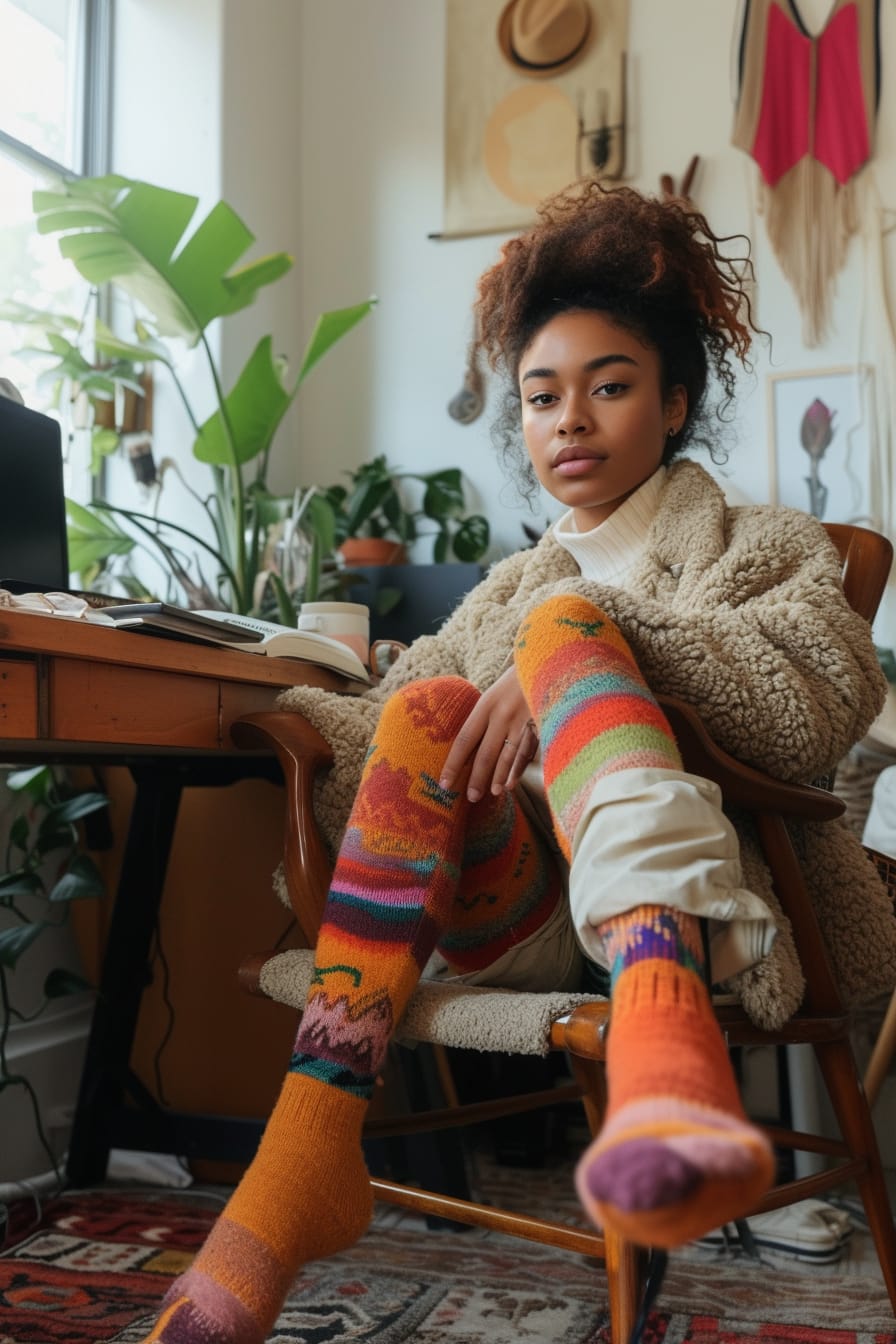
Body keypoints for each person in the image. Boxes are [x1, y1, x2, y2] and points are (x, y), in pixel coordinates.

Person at [138, 182, 896, 1344]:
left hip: (698, 904)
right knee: (440, 695)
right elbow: (395, 718)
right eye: (542, 396)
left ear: (673, 403)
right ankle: (306, 1157)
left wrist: (583, 646)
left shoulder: (763, 545)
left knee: (567, 629)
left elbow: (814, 704)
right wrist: (301, 705)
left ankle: (652, 1013)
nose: (569, 418)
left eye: (609, 385)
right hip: (516, 904)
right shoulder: (504, 591)